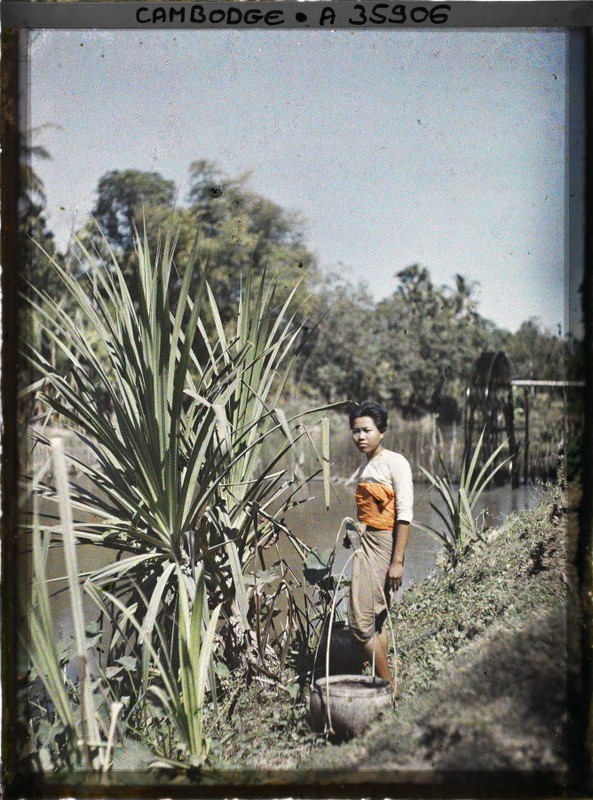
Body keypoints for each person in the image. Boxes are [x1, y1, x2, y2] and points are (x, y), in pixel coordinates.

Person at [347, 400, 413, 692]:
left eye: (367, 430)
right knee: (376, 617)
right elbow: (371, 510)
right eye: (356, 431)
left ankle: (388, 686)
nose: (360, 436)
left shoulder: (395, 462)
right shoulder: (368, 463)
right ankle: (383, 680)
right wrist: (357, 529)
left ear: (382, 431)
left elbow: (404, 515)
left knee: (360, 625)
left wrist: (397, 561)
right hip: (367, 541)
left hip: (384, 544)